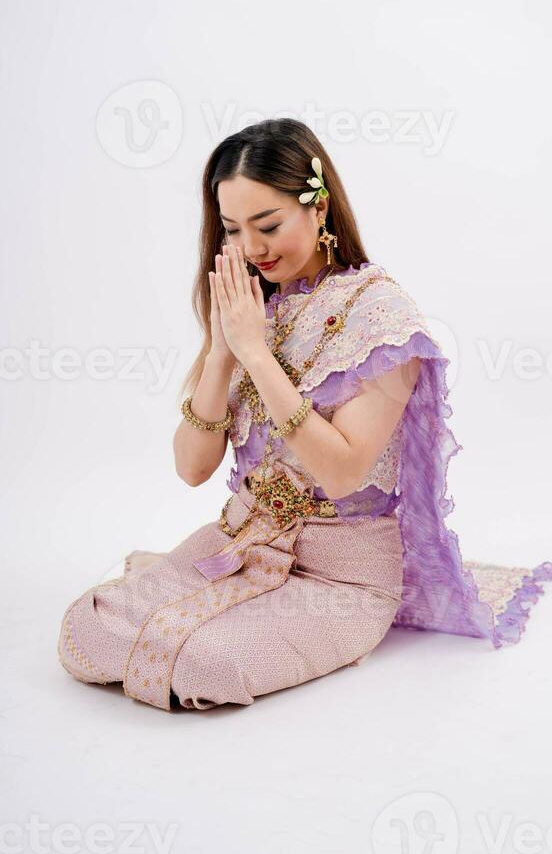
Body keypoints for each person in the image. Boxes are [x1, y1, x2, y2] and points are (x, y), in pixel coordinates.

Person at [58, 118, 552, 711]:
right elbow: (191, 469)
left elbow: (344, 473)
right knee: (83, 632)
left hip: (341, 579)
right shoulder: (250, 306)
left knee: (204, 665)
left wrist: (257, 356)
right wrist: (220, 354)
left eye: (268, 225)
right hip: (240, 538)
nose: (251, 249)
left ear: (318, 209)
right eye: (233, 229)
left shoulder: (381, 318)